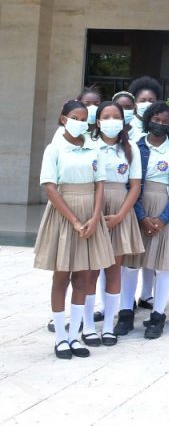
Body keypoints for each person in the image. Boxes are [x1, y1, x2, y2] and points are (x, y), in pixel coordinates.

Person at [34, 100, 114, 358]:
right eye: (74, 117)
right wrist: (76, 221)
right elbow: (50, 187)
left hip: (91, 213)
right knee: (62, 276)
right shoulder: (54, 149)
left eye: (84, 118)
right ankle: (60, 337)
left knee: (84, 276)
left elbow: (100, 183)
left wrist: (94, 217)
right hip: (64, 215)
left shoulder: (94, 148)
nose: (80, 122)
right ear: (63, 119)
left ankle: (74, 335)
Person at [128, 102, 169, 340]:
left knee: (162, 265)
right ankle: (125, 312)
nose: (160, 125)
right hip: (139, 205)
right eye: (156, 120)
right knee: (132, 262)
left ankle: (157, 315)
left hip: (165, 207)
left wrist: (163, 218)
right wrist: (142, 216)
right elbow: (129, 184)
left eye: (165, 122)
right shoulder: (135, 147)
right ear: (147, 119)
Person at [92, 101, 143, 345]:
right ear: (98, 121)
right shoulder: (90, 145)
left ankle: (110, 325)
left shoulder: (130, 147)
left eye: (116, 116)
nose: (111, 121)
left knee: (115, 270)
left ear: (123, 121)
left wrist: (121, 215)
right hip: (94, 209)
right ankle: (90, 325)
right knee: (89, 270)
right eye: (106, 116)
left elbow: (135, 186)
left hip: (121, 209)